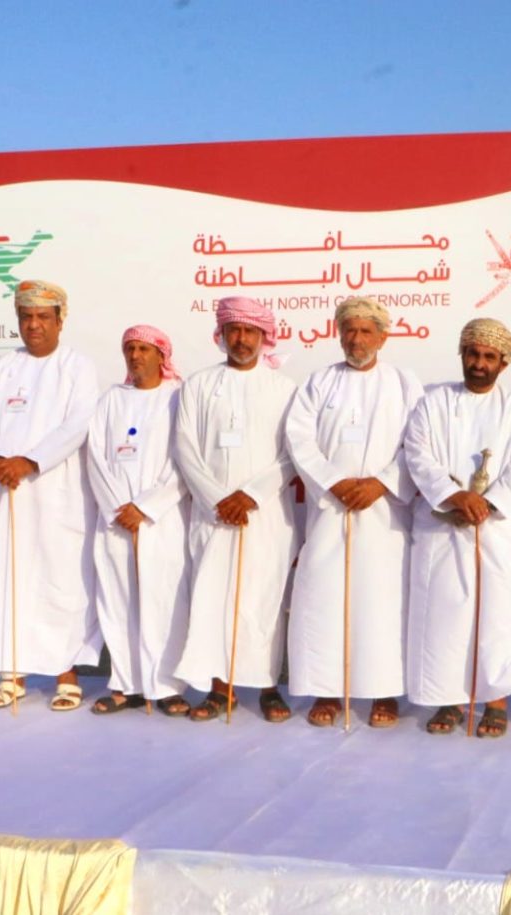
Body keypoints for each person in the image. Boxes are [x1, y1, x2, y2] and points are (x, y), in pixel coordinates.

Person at [404, 318, 511, 737]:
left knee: (499, 617)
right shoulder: (433, 404)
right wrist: (454, 496)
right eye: (472, 354)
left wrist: (486, 503)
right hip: (444, 526)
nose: (478, 363)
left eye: (489, 357)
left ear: (503, 363)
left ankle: (496, 701)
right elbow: (417, 454)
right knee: (446, 616)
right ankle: (449, 700)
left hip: (499, 530)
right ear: (462, 354)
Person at [285, 297, 424, 728]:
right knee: (323, 598)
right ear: (338, 333)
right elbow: (298, 438)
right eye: (350, 330)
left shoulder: (403, 384)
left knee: (381, 602)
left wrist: (381, 483)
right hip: (330, 511)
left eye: (366, 331)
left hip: (384, 516)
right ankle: (326, 691)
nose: (357, 339)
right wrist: (333, 481)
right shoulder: (318, 382)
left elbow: (419, 444)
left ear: (383, 337)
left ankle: (384, 692)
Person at [0, 280, 101, 711]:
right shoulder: (3, 367)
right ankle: (11, 673)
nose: (34, 325)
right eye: (26, 317)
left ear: (61, 321)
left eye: (43, 316)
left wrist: (30, 461)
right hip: (4, 491)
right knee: (7, 577)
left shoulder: (77, 367)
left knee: (60, 581)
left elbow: (79, 423)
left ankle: (66, 674)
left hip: (56, 491)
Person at [173, 296, 298, 723]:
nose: (241, 339)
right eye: (234, 330)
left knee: (263, 601)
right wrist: (217, 498)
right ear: (221, 334)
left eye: (249, 331)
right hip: (213, 516)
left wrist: (250, 495)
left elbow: (292, 454)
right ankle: (218, 688)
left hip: (266, 515)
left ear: (264, 336)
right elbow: (185, 448)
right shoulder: (198, 385)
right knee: (213, 599)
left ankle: (266, 686)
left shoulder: (284, 389)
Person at [85, 325, 193, 717]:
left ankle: (165, 687)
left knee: (164, 601)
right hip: (117, 520)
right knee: (119, 600)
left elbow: (184, 459)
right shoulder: (111, 399)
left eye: (144, 349)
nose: (135, 356)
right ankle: (127, 685)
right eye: (129, 349)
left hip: (160, 521)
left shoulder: (178, 398)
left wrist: (146, 506)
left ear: (162, 355)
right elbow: (95, 456)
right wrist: (119, 506)